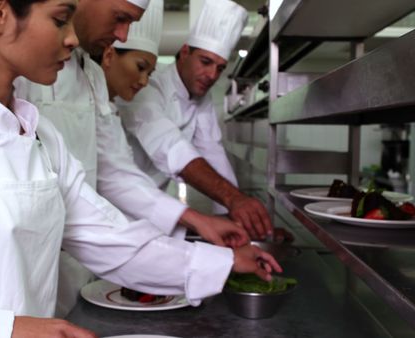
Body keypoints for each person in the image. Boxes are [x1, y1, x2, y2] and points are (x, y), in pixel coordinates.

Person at [0, 0, 281, 337]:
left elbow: (109, 238)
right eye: (61, 19)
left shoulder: (42, 137)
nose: (72, 38)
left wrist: (221, 263)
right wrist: (10, 330)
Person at [14, 0, 252, 317]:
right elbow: (166, 146)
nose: (123, 35)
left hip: (88, 253)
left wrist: (200, 219)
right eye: (120, 18)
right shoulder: (28, 69)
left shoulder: (92, 76)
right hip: (44, 259)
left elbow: (114, 173)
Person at [117, 0, 284, 241]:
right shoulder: (146, 85)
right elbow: (170, 146)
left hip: (155, 214)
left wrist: (243, 223)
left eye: (220, 68)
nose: (212, 75)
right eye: (205, 62)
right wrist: (235, 200)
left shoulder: (201, 100)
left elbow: (214, 154)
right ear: (185, 52)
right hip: (119, 210)